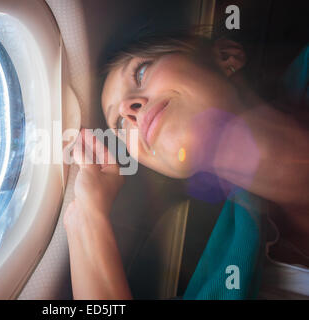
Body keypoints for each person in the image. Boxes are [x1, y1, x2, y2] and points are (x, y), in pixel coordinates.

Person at [63, 33, 309, 299]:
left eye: (141, 72)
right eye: (120, 125)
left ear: (226, 56)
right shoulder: (229, 282)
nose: (127, 110)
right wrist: (87, 216)